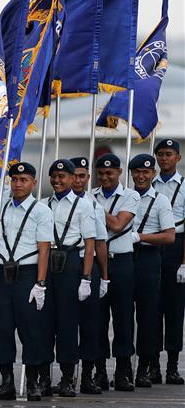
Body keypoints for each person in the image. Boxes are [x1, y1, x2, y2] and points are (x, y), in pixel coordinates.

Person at [0, 162, 53, 401]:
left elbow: (44, 250)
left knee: (31, 329)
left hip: (27, 273)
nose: (18, 184)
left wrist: (40, 283)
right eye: (15, 180)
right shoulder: (0, 206)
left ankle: (31, 382)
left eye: (24, 180)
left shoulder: (41, 211)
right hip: (1, 274)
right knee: (1, 328)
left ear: (33, 183)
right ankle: (7, 381)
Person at [40, 159, 96, 397]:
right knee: (43, 322)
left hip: (71, 262)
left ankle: (66, 377)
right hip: (47, 261)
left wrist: (86, 277)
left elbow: (91, 243)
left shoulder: (85, 206)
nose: (57, 180)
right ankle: (43, 376)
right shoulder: (43, 205)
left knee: (67, 323)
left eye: (62, 176)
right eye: (53, 176)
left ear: (74, 178)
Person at [93, 153, 140, 391]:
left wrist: (94, 209)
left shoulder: (130, 196)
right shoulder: (91, 195)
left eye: (110, 173)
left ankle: (123, 370)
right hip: (96, 263)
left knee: (123, 318)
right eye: (101, 173)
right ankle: (99, 370)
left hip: (121, 262)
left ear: (119, 173)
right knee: (98, 319)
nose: (105, 177)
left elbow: (118, 224)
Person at [128, 154, 175, 387]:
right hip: (124, 258)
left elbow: (169, 236)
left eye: (146, 172)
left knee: (148, 316)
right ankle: (124, 368)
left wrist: (141, 237)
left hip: (148, 257)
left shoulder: (161, 200)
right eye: (137, 171)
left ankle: (146, 366)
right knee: (123, 315)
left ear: (153, 174)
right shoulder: (125, 197)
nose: (141, 176)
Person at [70, 156, 110, 394]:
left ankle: (87, 375)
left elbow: (100, 243)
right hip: (62, 267)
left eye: (82, 176)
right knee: (63, 325)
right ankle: (64, 375)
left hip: (88, 268)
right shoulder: (50, 203)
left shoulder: (94, 205)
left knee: (90, 325)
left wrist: (103, 277)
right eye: (73, 175)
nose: (77, 180)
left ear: (88, 178)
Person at [152, 138, 185, 384]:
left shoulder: (184, 185)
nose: (164, 158)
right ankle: (151, 363)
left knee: (174, 309)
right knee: (151, 308)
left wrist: (184, 263)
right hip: (152, 246)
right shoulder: (147, 183)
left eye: (169, 154)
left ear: (178, 158)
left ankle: (172, 365)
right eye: (161, 154)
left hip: (177, 248)